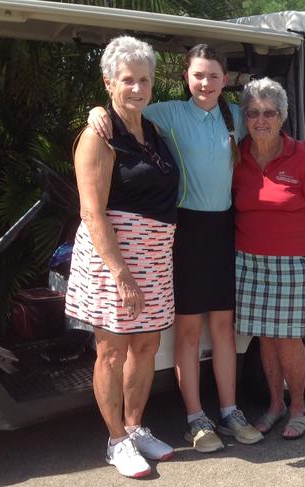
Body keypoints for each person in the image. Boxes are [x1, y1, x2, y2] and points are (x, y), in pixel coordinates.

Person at [88, 44, 263, 452]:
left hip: (223, 229)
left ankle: (230, 410)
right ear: (186, 77)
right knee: (187, 329)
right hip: (183, 232)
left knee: (222, 326)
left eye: (214, 76)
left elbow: (271, 132)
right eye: (198, 75)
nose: (205, 83)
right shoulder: (165, 112)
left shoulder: (235, 116)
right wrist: (95, 112)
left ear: (225, 80)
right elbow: (121, 108)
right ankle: (195, 419)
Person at [65, 36, 179, 478]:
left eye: (144, 80)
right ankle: (115, 440)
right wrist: (121, 274)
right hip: (114, 259)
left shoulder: (152, 131)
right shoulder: (99, 134)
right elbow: (91, 211)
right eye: (127, 80)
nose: (137, 88)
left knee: (147, 345)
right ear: (109, 83)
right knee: (111, 351)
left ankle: (134, 429)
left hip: (154, 257)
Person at [233, 78, 305, 440]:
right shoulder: (236, 154)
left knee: (289, 339)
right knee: (266, 339)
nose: (261, 120)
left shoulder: (300, 157)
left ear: (282, 117)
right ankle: (275, 405)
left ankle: (299, 407)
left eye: (269, 113)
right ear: (245, 117)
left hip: (293, 262)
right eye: (254, 112)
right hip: (249, 262)